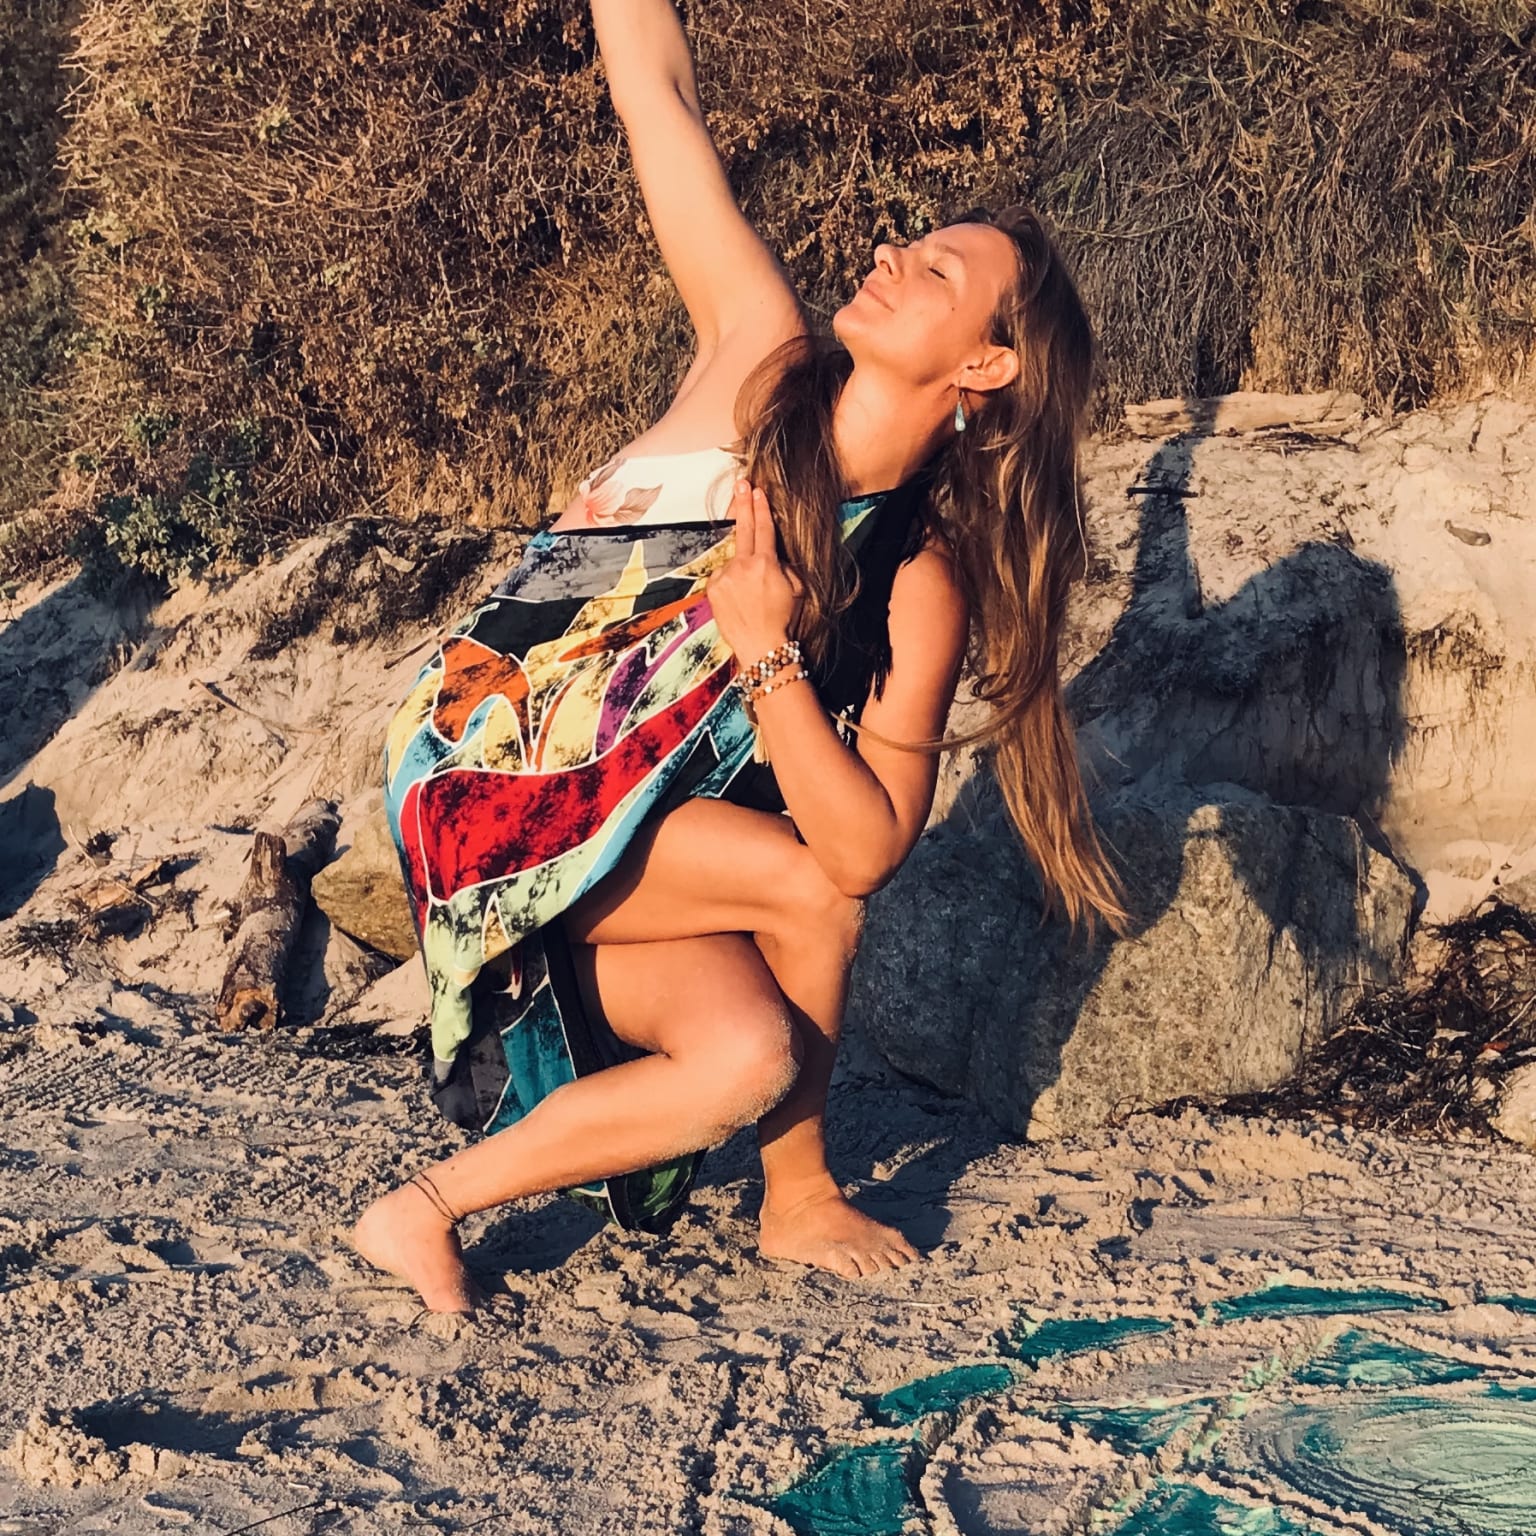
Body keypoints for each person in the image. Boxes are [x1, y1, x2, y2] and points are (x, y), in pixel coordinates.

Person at [352, 0, 1130, 1314]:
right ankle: (799, 1194)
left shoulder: (917, 580)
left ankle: (421, 1210)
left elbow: (871, 842)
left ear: (988, 364)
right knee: (808, 887)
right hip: (480, 775)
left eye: (939, 274)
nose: (892, 257)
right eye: (912, 244)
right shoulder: (756, 361)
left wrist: (766, 652)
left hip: (626, 838)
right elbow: (657, 95)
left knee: (746, 1054)